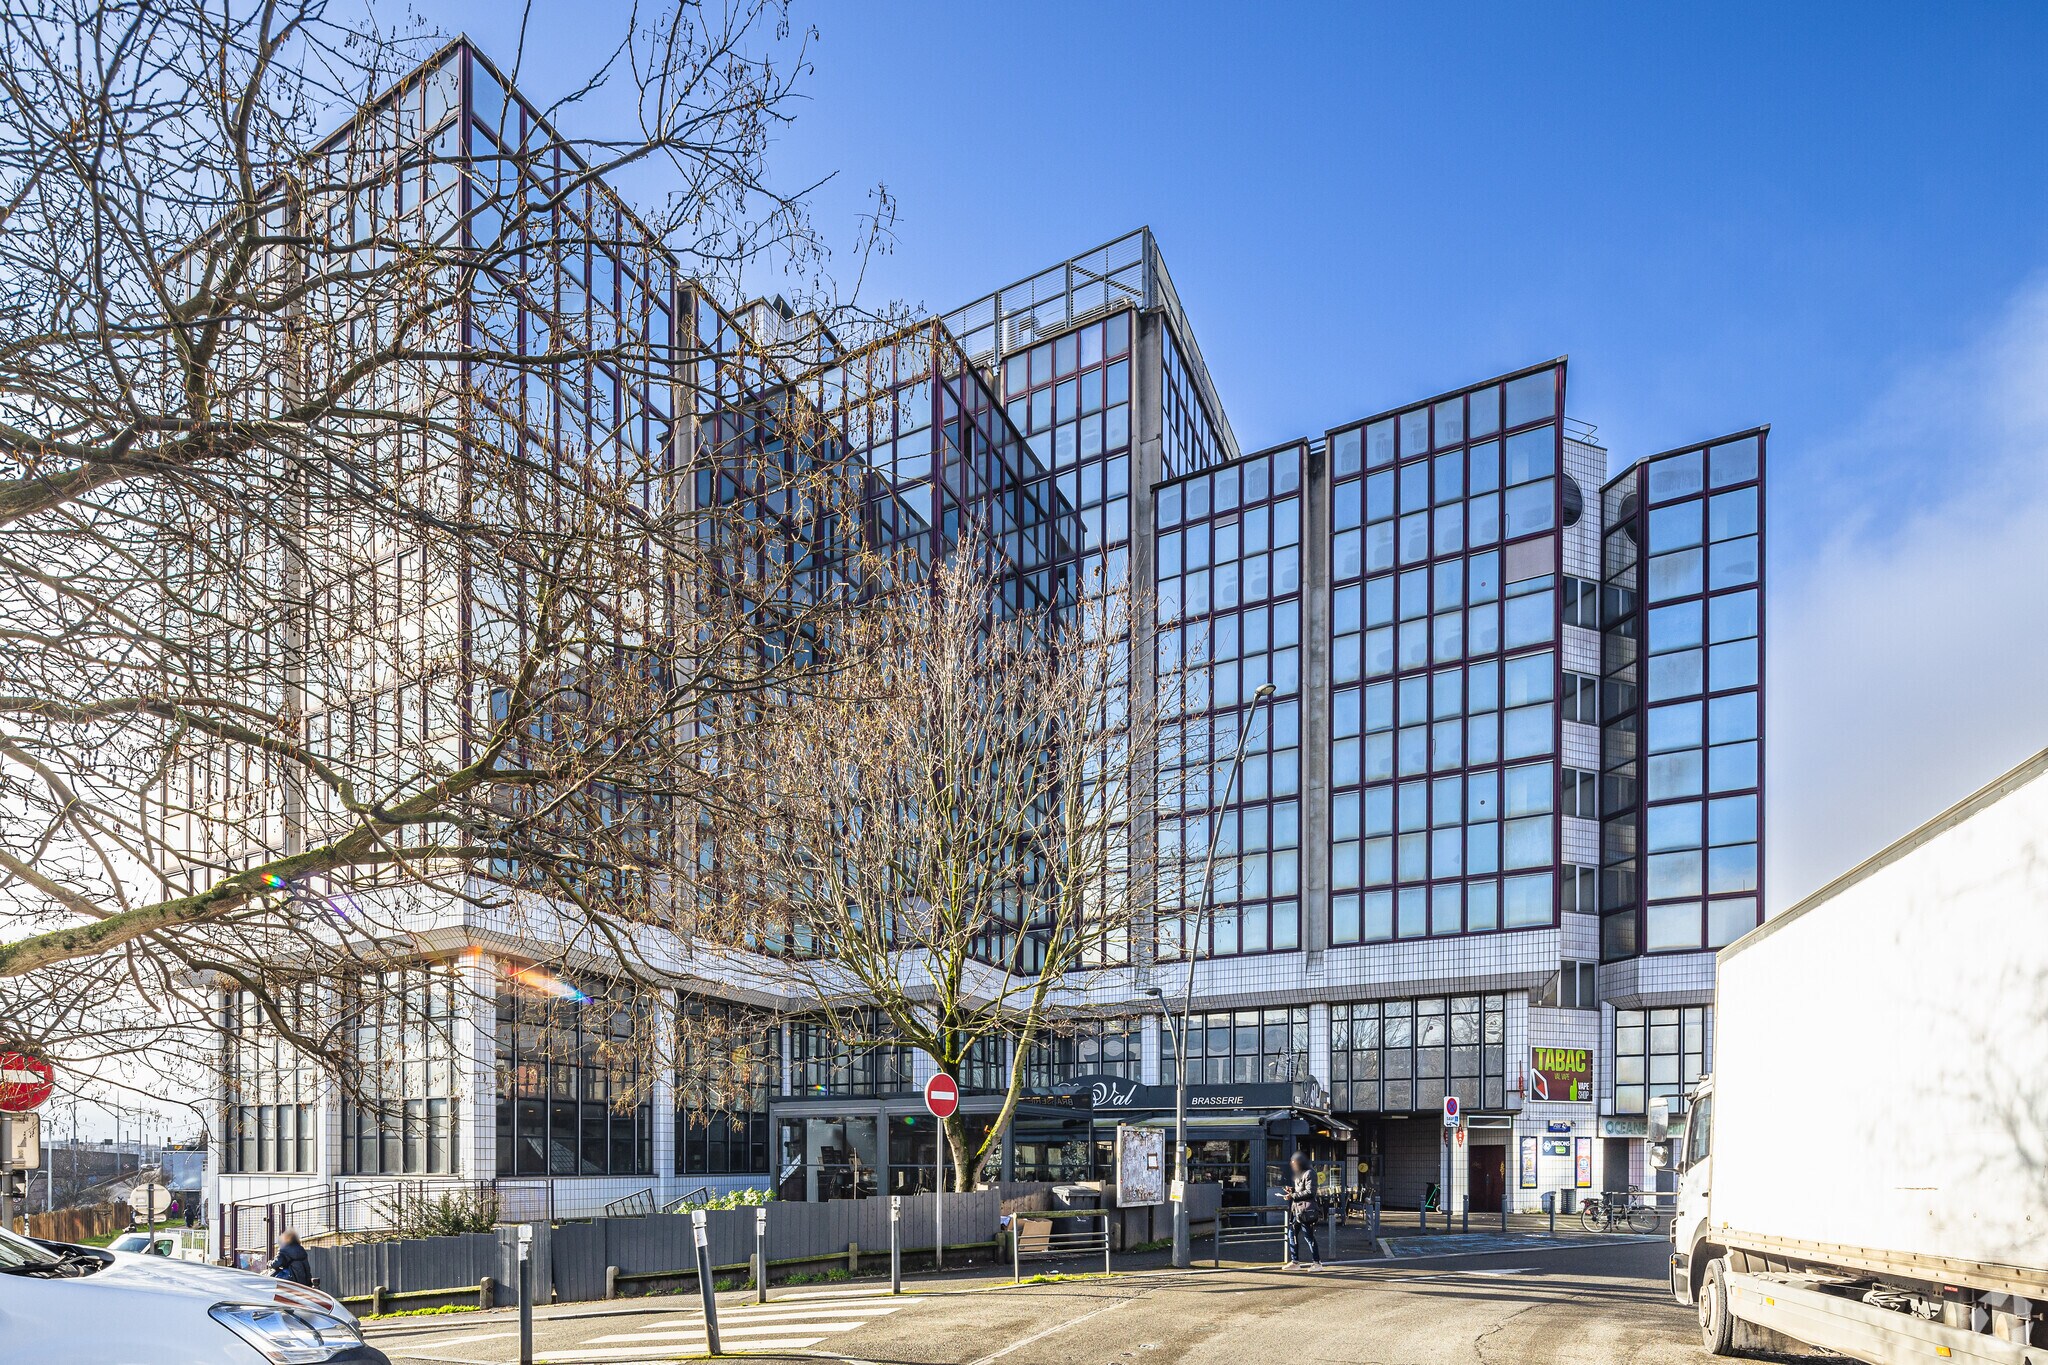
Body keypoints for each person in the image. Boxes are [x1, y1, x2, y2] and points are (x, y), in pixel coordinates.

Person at [1282, 1152, 1324, 1269]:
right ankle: (1295, 1262)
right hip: (1297, 1210)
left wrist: (1293, 1195)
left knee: (1309, 1237)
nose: (1292, 1164)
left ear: (1299, 1162)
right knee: (1292, 1234)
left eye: (1294, 1162)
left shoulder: (1310, 1173)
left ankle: (1317, 1262)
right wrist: (1292, 1190)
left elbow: (1311, 1192)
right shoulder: (1299, 1173)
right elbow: (1301, 1189)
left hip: (1305, 1211)